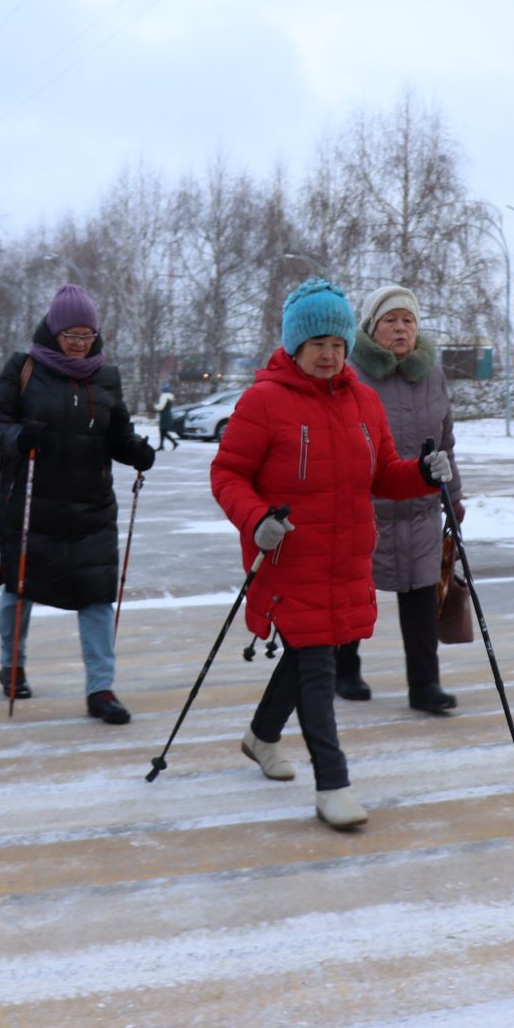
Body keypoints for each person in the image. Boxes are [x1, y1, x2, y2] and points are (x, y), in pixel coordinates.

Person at [210, 279, 453, 829]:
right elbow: (227, 473)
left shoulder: (363, 400)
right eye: (318, 342)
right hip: (289, 555)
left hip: (346, 556)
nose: (329, 354)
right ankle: (333, 784)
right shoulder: (263, 401)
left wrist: (420, 473)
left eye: (338, 344)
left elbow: (382, 474)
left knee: (307, 653)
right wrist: (256, 519)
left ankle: (261, 736)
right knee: (317, 664)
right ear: (295, 345)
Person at [0, 284, 154, 724]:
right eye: (71, 335)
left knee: (97, 598)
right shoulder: (23, 368)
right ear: (53, 331)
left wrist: (135, 451)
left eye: (87, 336)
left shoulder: (107, 376)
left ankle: (101, 689)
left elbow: (117, 435)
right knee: (19, 591)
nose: (80, 344)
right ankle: (12, 665)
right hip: (30, 505)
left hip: (91, 510)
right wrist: (19, 437)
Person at [341, 284, 462, 712]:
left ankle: (425, 686)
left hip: (421, 509)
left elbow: (446, 441)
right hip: (365, 508)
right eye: (390, 320)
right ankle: (344, 668)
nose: (400, 328)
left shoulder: (431, 373)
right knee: (356, 593)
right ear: (372, 329)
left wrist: (455, 499)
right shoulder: (350, 374)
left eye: (407, 320)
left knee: (421, 595)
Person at [154, 383, 180, 450]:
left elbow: (160, 407)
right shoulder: (170, 396)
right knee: (163, 431)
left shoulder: (164, 396)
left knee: (163, 431)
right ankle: (162, 446)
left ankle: (173, 443)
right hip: (168, 415)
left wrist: (155, 406)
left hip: (164, 416)